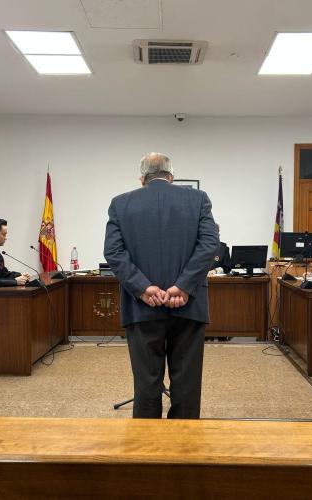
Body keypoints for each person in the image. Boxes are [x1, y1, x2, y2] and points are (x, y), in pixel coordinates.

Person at [104, 152, 219, 419]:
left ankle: (148, 440)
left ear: (141, 178)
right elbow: (210, 245)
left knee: (146, 383)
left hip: (141, 307)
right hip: (188, 305)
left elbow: (113, 252)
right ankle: (184, 437)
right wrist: (184, 286)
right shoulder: (198, 199)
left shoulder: (120, 204)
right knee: (187, 384)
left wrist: (144, 288)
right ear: (171, 176)